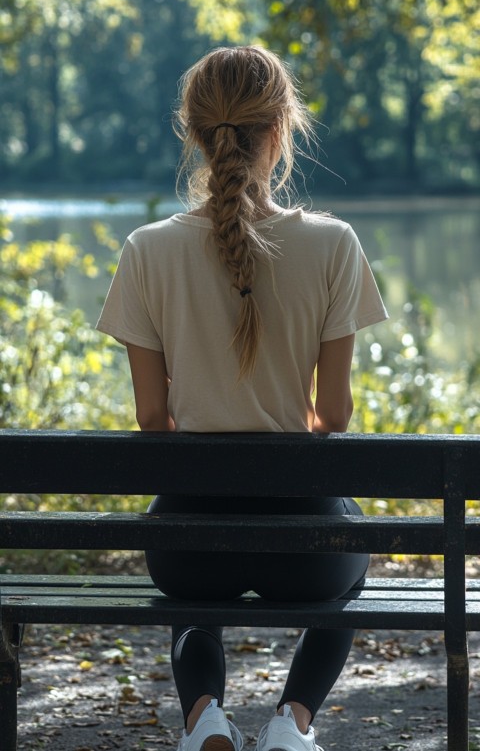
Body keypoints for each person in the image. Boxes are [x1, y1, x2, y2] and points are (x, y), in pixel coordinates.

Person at [96, 45, 388, 751]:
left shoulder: (145, 249)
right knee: (354, 542)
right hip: (305, 545)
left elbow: (150, 419)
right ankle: (291, 723)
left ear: (193, 132)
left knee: (184, 550)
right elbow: (336, 417)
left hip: (192, 546)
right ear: (282, 128)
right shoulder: (334, 243)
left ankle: (205, 719)